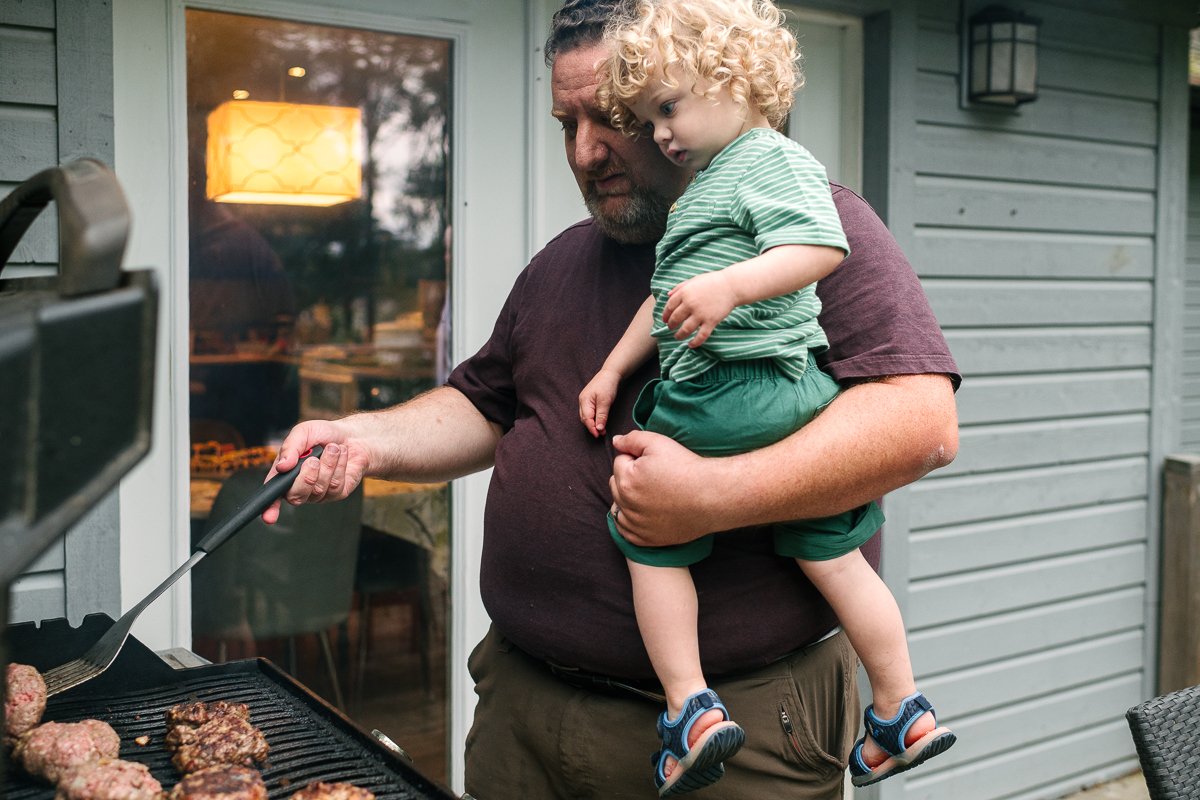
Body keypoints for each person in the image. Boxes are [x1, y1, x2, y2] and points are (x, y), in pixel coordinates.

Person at [263, 0, 961, 796]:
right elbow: (486, 405)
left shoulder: (807, 225)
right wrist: (364, 440)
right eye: (567, 123)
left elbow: (921, 423)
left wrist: (712, 496)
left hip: (743, 739)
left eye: (616, 117)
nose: (586, 151)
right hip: (524, 710)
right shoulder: (562, 263)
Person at [575, 0, 954, 793]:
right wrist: (612, 369)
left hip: (727, 391)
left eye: (668, 108)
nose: (663, 134)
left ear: (736, 78)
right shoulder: (706, 188)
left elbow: (821, 244)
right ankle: (900, 707)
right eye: (649, 119)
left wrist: (730, 289)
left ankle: (690, 709)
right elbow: (665, 296)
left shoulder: (773, 161)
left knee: (647, 535)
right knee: (837, 557)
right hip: (790, 404)